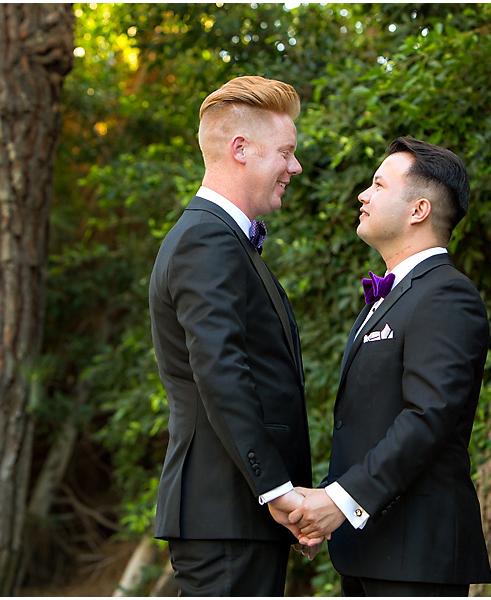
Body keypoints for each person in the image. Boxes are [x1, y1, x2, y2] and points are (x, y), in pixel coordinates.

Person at [285, 137, 491, 596]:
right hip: (370, 549)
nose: (363, 194)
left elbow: (428, 418)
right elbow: (365, 425)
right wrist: (323, 507)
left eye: (378, 184)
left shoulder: (446, 295)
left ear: (418, 210)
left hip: (415, 556)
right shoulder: (389, 298)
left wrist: (339, 502)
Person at [148, 75, 315, 596]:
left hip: (235, 515)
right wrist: (277, 490)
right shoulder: (206, 239)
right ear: (240, 149)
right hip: (226, 513)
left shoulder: (220, 240)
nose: (295, 167)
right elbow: (221, 371)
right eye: (286, 152)